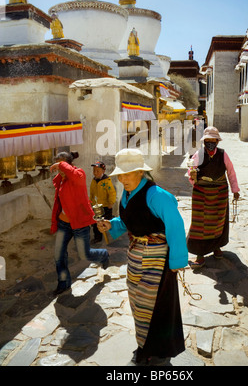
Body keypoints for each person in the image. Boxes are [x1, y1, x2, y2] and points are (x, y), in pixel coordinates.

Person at [97, 148, 188, 366]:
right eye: (121, 174)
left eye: (128, 174)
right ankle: (143, 344)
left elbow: (175, 227)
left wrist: (176, 262)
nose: (123, 178)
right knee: (139, 302)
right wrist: (110, 225)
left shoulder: (157, 196)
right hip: (136, 256)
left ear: (140, 172)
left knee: (157, 304)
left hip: (158, 259)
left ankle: (157, 352)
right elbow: (130, 222)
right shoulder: (128, 195)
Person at [50, 151, 109, 296]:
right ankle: (63, 283)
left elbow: (74, 175)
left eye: (62, 166)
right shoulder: (60, 180)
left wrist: (61, 165)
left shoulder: (79, 174)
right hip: (64, 224)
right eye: (58, 167)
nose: (60, 170)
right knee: (59, 254)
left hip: (80, 223)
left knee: (85, 254)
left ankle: (103, 255)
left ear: (69, 165)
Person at [187, 127, 240, 268]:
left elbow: (231, 172)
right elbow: (190, 172)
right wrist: (193, 178)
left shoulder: (223, 154)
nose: (210, 143)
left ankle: (216, 248)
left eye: (213, 140)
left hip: (220, 194)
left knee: (218, 222)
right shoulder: (198, 154)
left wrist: (235, 189)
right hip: (201, 194)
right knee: (200, 224)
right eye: (208, 141)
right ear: (204, 142)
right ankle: (200, 255)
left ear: (217, 141)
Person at [90, 160, 116, 243]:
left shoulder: (107, 181)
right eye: (94, 171)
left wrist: (111, 203)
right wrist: (91, 202)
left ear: (103, 171)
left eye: (97, 171)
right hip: (96, 206)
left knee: (105, 222)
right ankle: (98, 237)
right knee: (96, 223)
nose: (95, 173)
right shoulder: (93, 181)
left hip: (105, 206)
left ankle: (113, 232)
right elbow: (92, 193)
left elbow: (111, 193)